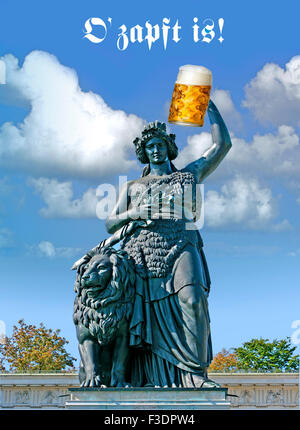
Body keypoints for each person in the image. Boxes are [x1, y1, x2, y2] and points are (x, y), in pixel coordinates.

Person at [105, 100, 232, 388]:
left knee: (193, 300)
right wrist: (136, 212)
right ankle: (147, 377)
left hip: (182, 245)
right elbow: (111, 222)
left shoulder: (188, 175)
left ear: (168, 147)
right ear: (143, 152)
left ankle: (195, 375)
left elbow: (222, 146)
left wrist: (209, 107)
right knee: (143, 316)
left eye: (160, 144)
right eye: (150, 146)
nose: (156, 149)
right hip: (141, 254)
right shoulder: (132, 188)